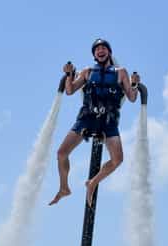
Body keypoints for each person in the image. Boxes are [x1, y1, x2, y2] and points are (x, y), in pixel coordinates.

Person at [49, 38, 141, 207]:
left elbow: (132, 97)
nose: (100, 50)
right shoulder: (87, 71)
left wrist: (134, 84)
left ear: (109, 52)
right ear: (94, 54)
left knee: (117, 160)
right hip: (87, 118)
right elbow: (70, 91)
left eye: (103, 48)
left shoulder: (121, 72)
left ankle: (92, 182)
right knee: (61, 153)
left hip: (108, 120)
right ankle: (64, 188)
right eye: (97, 49)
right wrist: (69, 75)